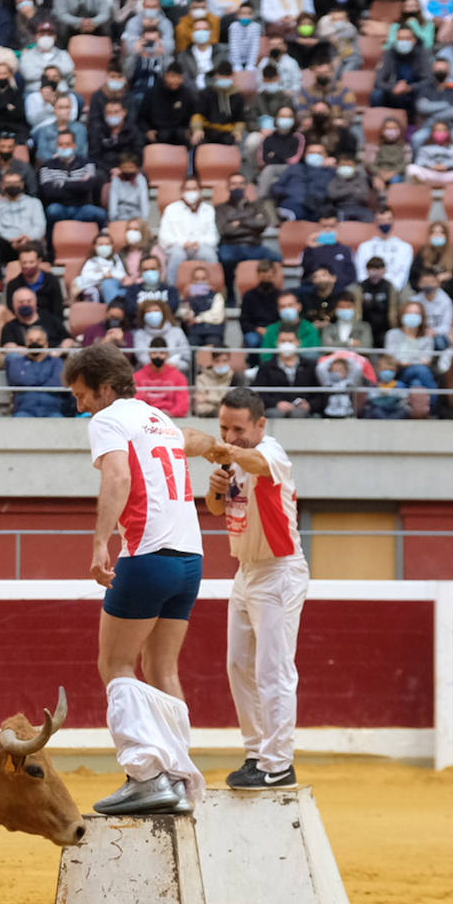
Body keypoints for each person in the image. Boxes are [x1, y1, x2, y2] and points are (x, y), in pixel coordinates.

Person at [62, 342, 216, 815]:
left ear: (106, 388)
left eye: (83, 393)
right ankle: (179, 776)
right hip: (190, 560)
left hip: (147, 556)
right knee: (163, 668)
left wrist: (98, 544)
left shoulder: (108, 420)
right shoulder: (159, 419)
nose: (80, 404)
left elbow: (117, 479)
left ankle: (145, 774)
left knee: (116, 665)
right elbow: (195, 442)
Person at [204, 386, 308, 790]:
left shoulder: (271, 453)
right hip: (246, 572)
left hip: (279, 571)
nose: (230, 437)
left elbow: (256, 461)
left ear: (261, 425)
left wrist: (220, 451)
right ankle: (256, 754)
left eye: (238, 428)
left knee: (273, 669)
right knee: (238, 666)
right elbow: (216, 508)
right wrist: (215, 485)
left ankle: (279, 762)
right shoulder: (236, 459)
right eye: (223, 428)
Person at [5, 328, 70, 418]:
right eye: (30, 340)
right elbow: (17, 380)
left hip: (52, 412)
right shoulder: (17, 362)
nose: (34, 343)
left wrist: (31, 383)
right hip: (24, 411)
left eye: (39, 340)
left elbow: (57, 383)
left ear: (46, 344)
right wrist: (44, 381)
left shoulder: (57, 362)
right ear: (26, 344)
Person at [134, 340, 190, 418]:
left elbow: (183, 403)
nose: (158, 356)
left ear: (167, 354)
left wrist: (171, 413)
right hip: (144, 417)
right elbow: (134, 402)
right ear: (149, 354)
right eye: (154, 353)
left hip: (171, 418)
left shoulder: (178, 377)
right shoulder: (137, 376)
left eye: (161, 353)